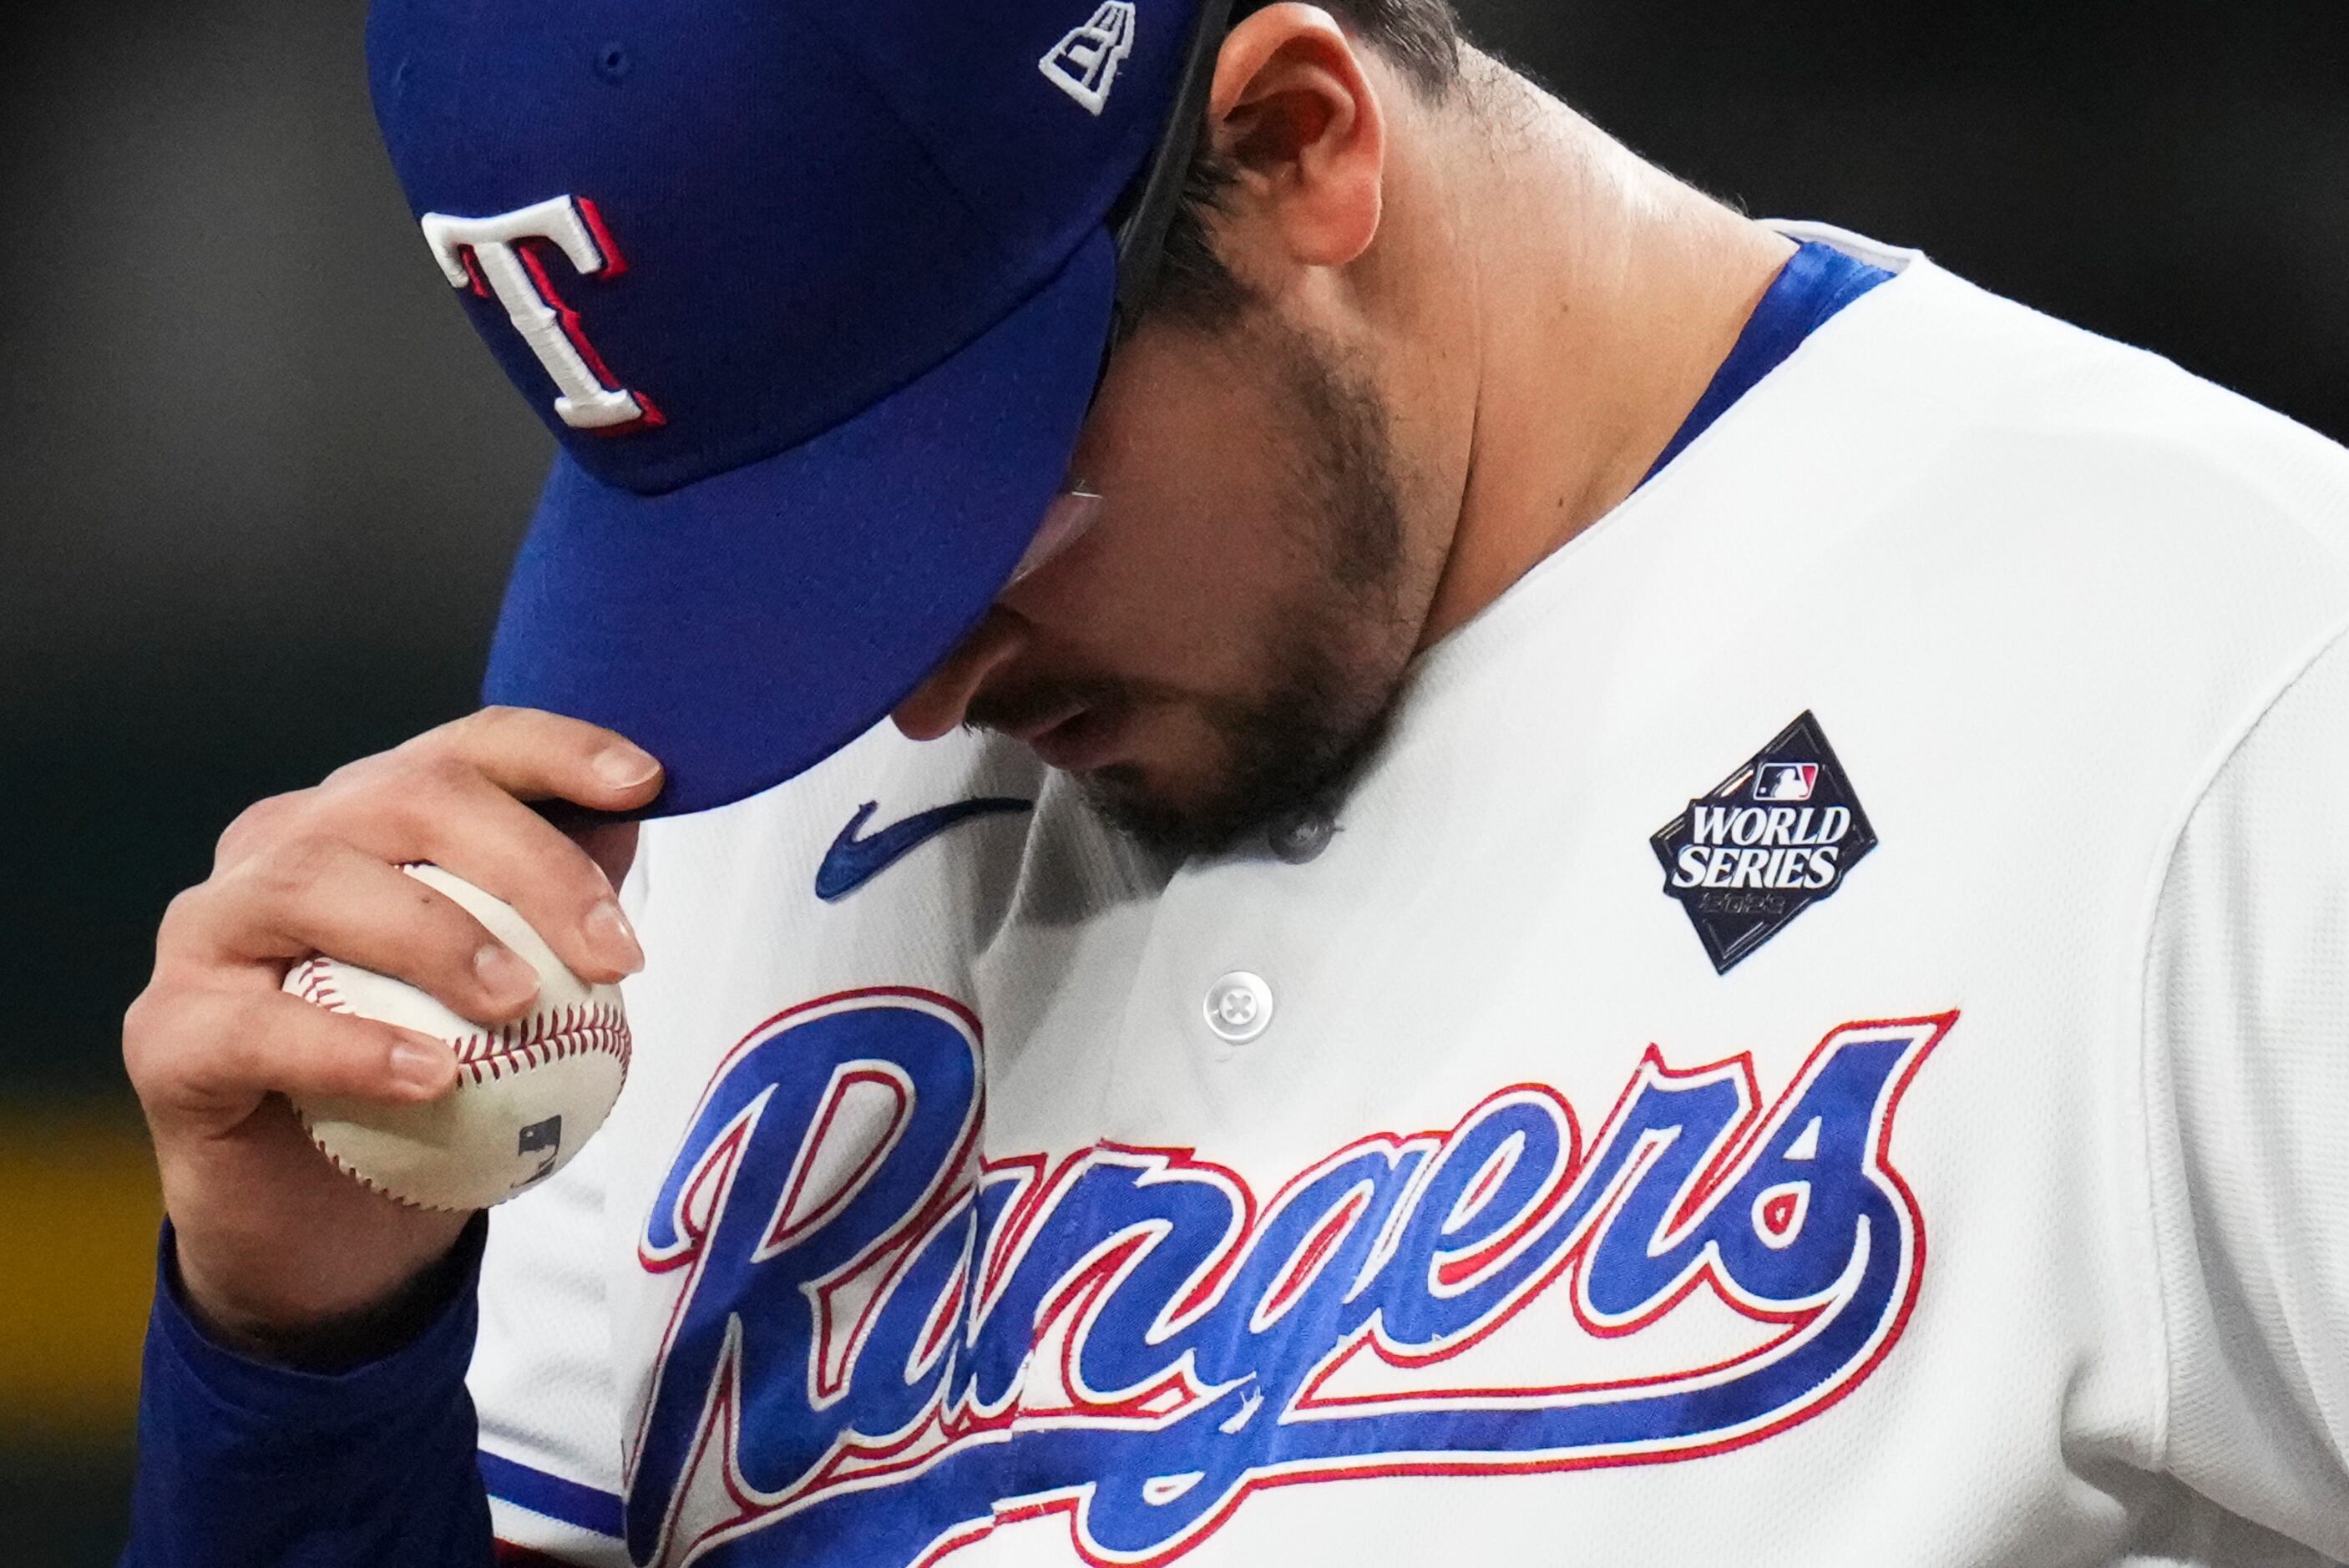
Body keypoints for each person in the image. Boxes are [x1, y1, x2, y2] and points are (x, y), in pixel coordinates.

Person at [120, 0, 2349, 1560]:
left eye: (956, 510)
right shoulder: (702, 834)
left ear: (1300, 145)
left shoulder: (2228, 682)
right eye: (767, 562)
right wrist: (307, 1359)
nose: (899, 687)